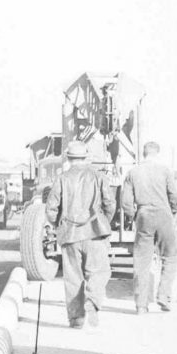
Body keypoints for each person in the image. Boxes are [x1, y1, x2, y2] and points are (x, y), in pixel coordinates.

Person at [45, 140, 115, 329]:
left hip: (69, 234)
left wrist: (58, 226)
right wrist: (103, 223)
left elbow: (51, 209)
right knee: (100, 271)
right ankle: (92, 301)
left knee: (73, 277)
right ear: (86, 156)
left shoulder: (61, 178)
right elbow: (109, 204)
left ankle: (76, 319)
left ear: (68, 157)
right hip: (94, 233)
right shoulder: (99, 176)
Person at [121, 141, 177, 314]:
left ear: (143, 154)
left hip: (143, 215)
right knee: (170, 256)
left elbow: (125, 202)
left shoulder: (133, 172)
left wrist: (134, 216)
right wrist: (174, 212)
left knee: (141, 261)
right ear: (157, 153)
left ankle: (141, 305)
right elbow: (175, 196)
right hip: (164, 215)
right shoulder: (165, 171)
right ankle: (163, 296)